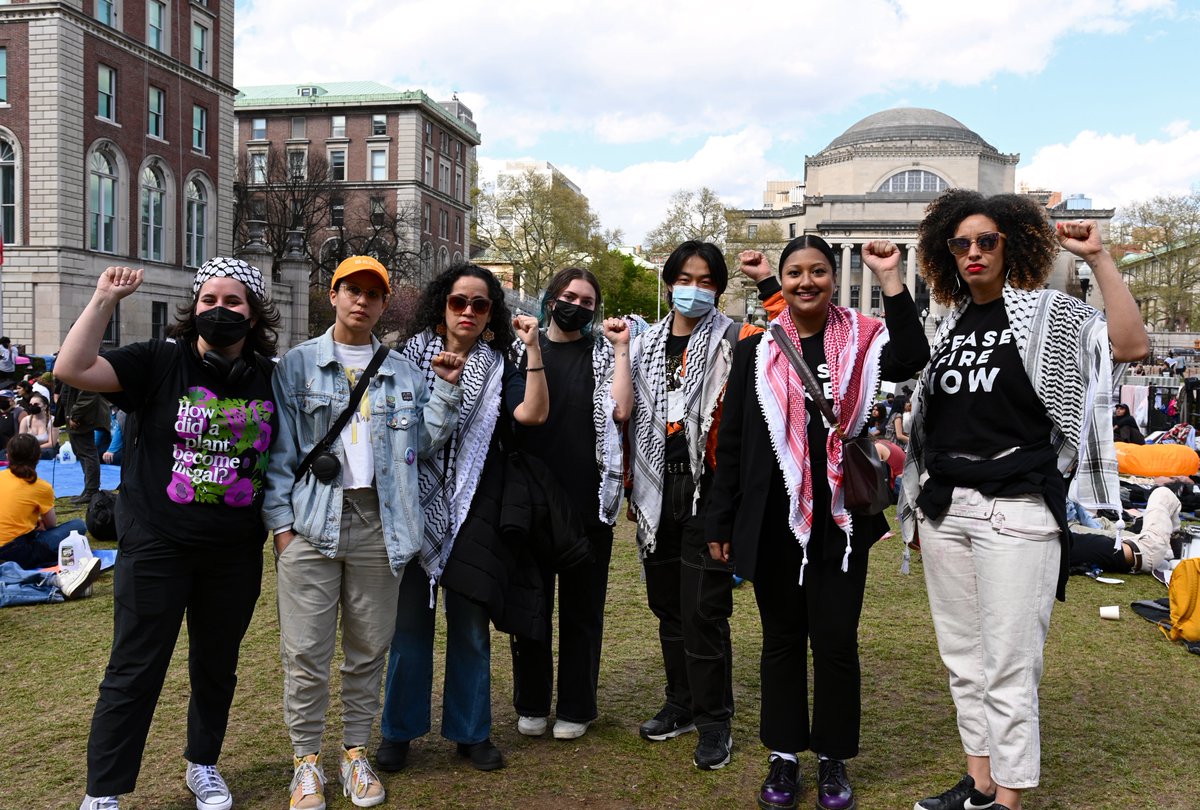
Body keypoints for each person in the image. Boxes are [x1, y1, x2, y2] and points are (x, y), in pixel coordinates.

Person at [900, 191, 1148, 810]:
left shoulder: (1048, 314)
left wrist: (1100, 258)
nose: (974, 252)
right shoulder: (947, 323)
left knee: (1010, 664)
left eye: (987, 241)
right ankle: (979, 784)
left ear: (1013, 244)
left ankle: (1007, 799)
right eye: (961, 243)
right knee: (963, 659)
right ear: (945, 253)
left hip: (1016, 509)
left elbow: (1129, 346)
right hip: (945, 509)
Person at [707, 235, 929, 810]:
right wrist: (720, 519)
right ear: (781, 281)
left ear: (834, 278)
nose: (806, 282)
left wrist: (889, 277)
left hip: (840, 519)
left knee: (834, 641)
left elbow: (912, 355)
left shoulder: (863, 338)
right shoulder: (757, 350)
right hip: (773, 517)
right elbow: (731, 442)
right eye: (795, 273)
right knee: (781, 641)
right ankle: (784, 757)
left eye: (818, 272)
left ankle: (833, 759)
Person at [56, 258, 281, 810]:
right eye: (209, 301)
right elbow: (72, 367)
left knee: (216, 666)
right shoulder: (158, 360)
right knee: (133, 668)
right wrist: (104, 299)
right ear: (193, 308)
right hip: (157, 546)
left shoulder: (270, 377)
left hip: (231, 553)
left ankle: (202, 764)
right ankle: (103, 791)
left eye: (233, 303)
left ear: (253, 316)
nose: (219, 311)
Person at [263, 256, 463, 810]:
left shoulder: (402, 371)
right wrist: (282, 528)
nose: (362, 301)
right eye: (352, 290)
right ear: (333, 294)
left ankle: (355, 754)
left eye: (373, 294)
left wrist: (446, 389)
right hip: (311, 524)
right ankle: (306, 763)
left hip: (382, 523)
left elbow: (422, 444)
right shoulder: (297, 367)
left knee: (368, 650)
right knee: (304, 652)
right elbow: (279, 455)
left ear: (382, 303)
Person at [379, 264, 547, 774]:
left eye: (480, 304)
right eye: (459, 302)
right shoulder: (405, 359)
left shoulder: (503, 364)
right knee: (409, 629)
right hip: (413, 506)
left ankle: (471, 732)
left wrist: (534, 349)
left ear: (492, 312)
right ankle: (398, 732)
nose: (469, 312)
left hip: (477, 509)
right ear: (442, 305)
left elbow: (532, 416)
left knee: (470, 629)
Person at [627, 240, 784, 772]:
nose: (694, 289)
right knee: (668, 608)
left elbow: (788, 346)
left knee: (704, 612)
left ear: (718, 287)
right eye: (685, 278)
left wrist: (766, 284)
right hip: (657, 491)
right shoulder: (644, 344)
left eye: (706, 281)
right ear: (669, 281)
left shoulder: (739, 340)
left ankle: (715, 720)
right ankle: (681, 703)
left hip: (711, 495)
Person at [508, 267, 633, 741]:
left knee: (583, 611)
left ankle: (577, 705)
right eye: (568, 296)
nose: (577, 306)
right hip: (531, 503)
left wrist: (621, 349)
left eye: (587, 301)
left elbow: (621, 411)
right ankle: (532, 702)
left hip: (587, 504)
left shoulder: (603, 353)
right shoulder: (521, 348)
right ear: (549, 298)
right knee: (531, 607)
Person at [0, 433, 99, 592]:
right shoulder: (40, 487)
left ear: (8, 455)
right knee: (77, 526)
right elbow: (51, 524)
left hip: (11, 544)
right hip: (17, 551)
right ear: (38, 456)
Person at [1070, 487, 1178, 575]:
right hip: (1146, 550)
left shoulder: (1062, 540)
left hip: (1135, 546)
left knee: (1103, 522)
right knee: (1162, 494)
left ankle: (1173, 543)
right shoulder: (1063, 544)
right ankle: (1173, 545)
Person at [57, 378, 110, 503]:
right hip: (76, 415)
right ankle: (89, 489)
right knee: (81, 452)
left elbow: (88, 393)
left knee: (87, 453)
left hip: (82, 418)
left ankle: (92, 491)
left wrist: (75, 415)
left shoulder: (80, 366)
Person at [18, 392, 58, 459]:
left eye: (36, 404)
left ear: (45, 406)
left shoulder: (52, 421)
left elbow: (52, 444)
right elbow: (21, 441)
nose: (33, 406)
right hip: (28, 450)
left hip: (46, 451)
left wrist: (34, 449)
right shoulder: (25, 420)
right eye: (30, 404)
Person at [0, 389, 22, 460]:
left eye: (4, 399)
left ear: (12, 400)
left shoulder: (19, 411)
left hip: (12, 447)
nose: (1, 401)